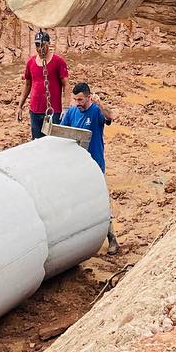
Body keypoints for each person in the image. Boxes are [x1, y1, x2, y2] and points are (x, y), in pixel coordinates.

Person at [58, 81, 120, 254]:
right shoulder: (72, 113)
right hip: (76, 164)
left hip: (95, 163)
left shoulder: (96, 112)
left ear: (88, 97)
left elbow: (111, 116)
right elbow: (62, 134)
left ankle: (112, 238)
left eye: (80, 100)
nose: (78, 103)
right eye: (75, 100)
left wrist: (100, 104)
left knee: (100, 202)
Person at [17, 29, 67, 140]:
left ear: (48, 44)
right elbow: (28, 84)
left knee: (54, 142)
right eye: (37, 45)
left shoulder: (58, 61)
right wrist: (20, 106)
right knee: (37, 141)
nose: (40, 48)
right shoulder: (31, 62)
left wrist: (66, 107)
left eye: (42, 45)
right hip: (35, 110)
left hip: (53, 111)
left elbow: (66, 85)